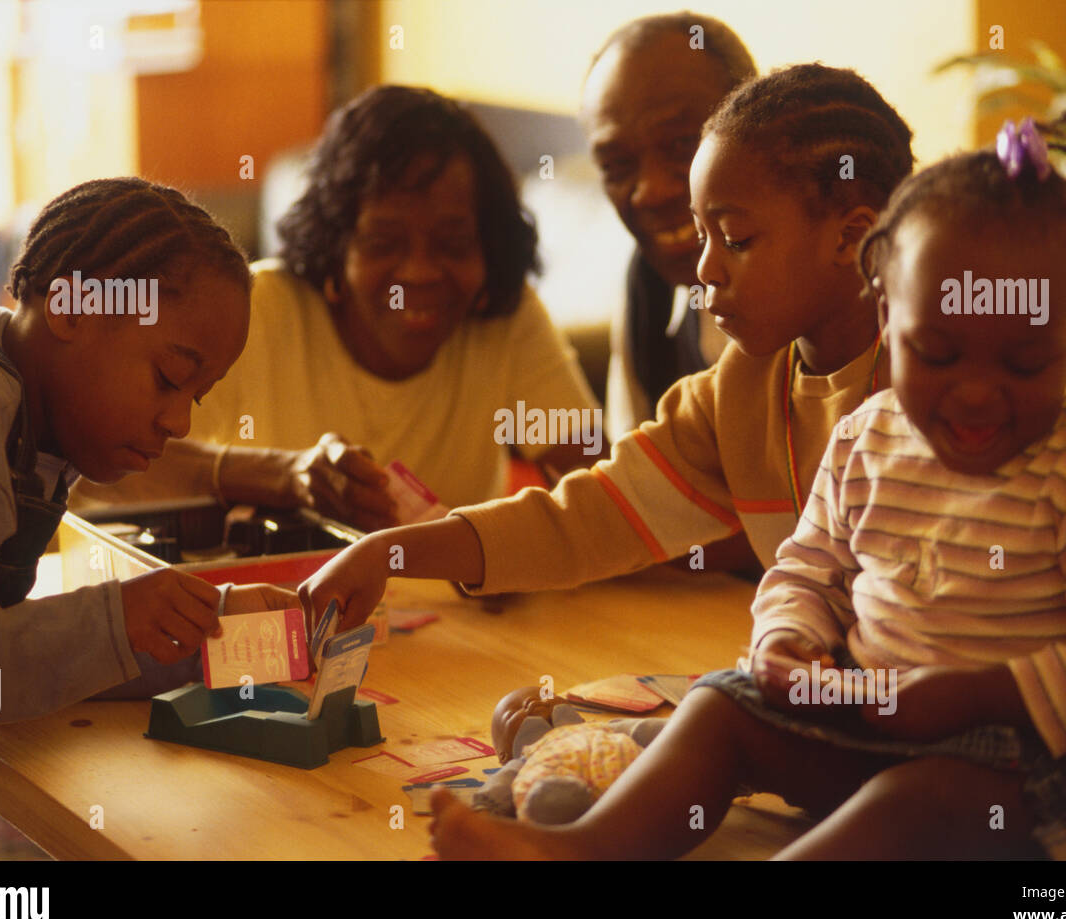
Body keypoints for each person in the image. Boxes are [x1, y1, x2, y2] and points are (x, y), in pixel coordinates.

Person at [424, 123, 1066, 860]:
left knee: (911, 805)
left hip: (1043, 771)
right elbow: (809, 566)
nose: (974, 394)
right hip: (878, 727)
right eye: (937, 352)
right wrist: (787, 643)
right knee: (719, 706)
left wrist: (980, 695)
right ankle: (580, 851)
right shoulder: (870, 436)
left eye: (1025, 364)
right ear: (888, 313)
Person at [299, 65, 913, 635]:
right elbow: (581, 519)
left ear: (852, 237)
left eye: (735, 238)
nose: (705, 270)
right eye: (703, 237)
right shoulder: (737, 393)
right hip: (815, 681)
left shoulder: (939, 380)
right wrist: (388, 551)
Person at [73, 86, 603, 529]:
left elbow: (603, 488)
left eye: (453, 242)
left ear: (489, 248)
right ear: (336, 245)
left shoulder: (503, 320)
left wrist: (513, 551)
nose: (419, 272)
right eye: (384, 242)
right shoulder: (259, 313)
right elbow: (91, 464)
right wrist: (280, 476)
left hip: (457, 627)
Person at [0, 178, 298, 735]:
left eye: (195, 396)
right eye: (168, 378)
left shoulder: (33, 429)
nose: (179, 422)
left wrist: (194, 635)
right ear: (70, 308)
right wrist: (112, 621)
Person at [585, 12, 758, 573]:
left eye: (683, 143)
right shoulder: (647, 288)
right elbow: (636, 494)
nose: (652, 190)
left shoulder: (841, 290)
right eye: (617, 164)